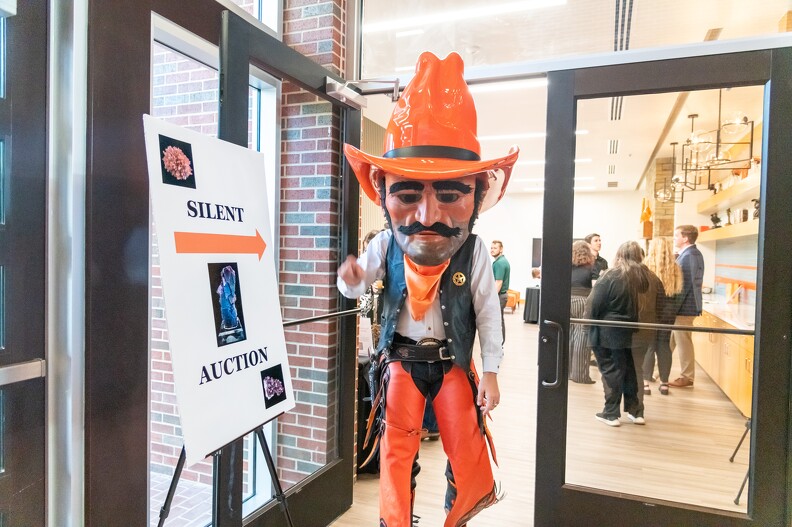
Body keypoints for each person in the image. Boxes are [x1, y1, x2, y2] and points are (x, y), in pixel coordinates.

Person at [337, 51, 518, 527]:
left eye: (450, 194)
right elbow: (356, 289)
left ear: (476, 195)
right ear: (384, 192)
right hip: (401, 362)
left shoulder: (474, 253)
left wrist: (491, 372)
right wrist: (351, 278)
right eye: (408, 194)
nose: (428, 215)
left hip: (452, 363)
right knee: (397, 452)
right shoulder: (384, 245)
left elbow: (488, 313)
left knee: (466, 450)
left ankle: (455, 517)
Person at [586, 241, 652, 427]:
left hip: (607, 330)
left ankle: (611, 413)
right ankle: (635, 411)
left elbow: (594, 303)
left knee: (611, 371)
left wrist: (587, 326)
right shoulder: (644, 277)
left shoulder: (611, 275)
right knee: (629, 371)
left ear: (620, 255)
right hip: (631, 330)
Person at [641, 237, 683, 395]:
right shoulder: (675, 267)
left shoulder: (646, 265)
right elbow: (678, 292)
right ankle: (664, 384)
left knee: (649, 346)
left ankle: (645, 384)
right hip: (668, 310)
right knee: (664, 345)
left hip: (650, 309)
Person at [668, 225, 705, 388]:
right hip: (683, 307)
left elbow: (683, 286)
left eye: (677, 235)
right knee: (669, 341)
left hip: (684, 308)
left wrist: (672, 308)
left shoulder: (690, 256)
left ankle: (687, 377)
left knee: (684, 342)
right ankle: (654, 372)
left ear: (685, 238)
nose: (674, 238)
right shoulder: (688, 254)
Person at [569, 240, 595, 384]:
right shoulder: (591, 268)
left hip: (567, 301)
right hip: (583, 301)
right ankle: (580, 375)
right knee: (582, 338)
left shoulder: (568, 267)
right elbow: (595, 288)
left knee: (569, 337)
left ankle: (567, 372)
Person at [491, 240, 511, 342]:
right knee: (499, 320)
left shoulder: (499, 263)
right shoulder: (502, 261)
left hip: (499, 296)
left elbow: (498, 282)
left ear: (501, 249)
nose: (492, 250)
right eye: (491, 248)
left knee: (497, 321)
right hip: (501, 296)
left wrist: (491, 298)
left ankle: (499, 343)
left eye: (495, 248)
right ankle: (500, 343)